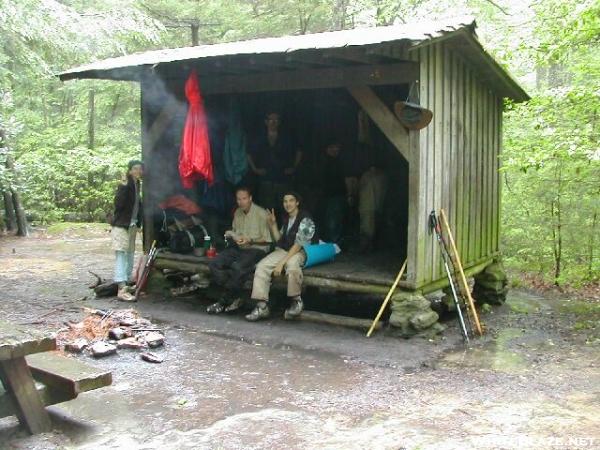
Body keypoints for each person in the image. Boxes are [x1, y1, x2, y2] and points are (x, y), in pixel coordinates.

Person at [246, 191, 318, 322]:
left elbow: (299, 244)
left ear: (297, 202)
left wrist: (281, 263)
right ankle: (262, 306)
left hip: (302, 250)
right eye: (285, 201)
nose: (288, 204)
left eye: (291, 200)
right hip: (286, 250)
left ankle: (296, 301)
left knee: (292, 265)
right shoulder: (286, 218)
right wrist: (273, 224)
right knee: (262, 266)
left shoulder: (306, 218)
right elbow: (280, 240)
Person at [206, 186, 272, 314]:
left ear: (250, 198)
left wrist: (251, 240)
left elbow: (268, 240)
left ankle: (223, 301)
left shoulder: (261, 213)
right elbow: (236, 233)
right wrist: (232, 235)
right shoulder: (237, 213)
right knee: (214, 263)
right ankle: (235, 293)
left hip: (257, 249)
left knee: (238, 267)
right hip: (240, 248)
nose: (241, 201)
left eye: (244, 198)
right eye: (238, 199)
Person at [247, 111, 302, 215]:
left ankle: (285, 231)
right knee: (266, 210)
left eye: (276, 120)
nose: (273, 122)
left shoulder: (287, 137)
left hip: (283, 179)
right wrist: (255, 169)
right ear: (266, 122)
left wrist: (294, 167)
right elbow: (249, 153)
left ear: (279, 122)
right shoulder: (259, 137)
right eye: (271, 120)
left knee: (286, 209)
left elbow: (299, 151)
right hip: (266, 179)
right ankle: (268, 231)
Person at [111, 160, 143, 302]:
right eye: (135, 169)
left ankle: (127, 283)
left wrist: (139, 222)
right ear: (130, 171)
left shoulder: (137, 184)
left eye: (140, 169)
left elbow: (137, 205)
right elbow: (118, 204)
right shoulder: (125, 184)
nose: (138, 171)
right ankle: (121, 288)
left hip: (132, 225)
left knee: (130, 254)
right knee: (121, 254)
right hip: (121, 225)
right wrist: (122, 186)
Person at [316, 141, 356, 244]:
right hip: (325, 197)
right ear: (327, 149)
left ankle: (334, 246)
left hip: (337, 196)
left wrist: (350, 194)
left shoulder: (341, 162)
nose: (335, 149)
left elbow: (348, 178)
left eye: (337, 147)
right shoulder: (322, 162)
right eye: (332, 147)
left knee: (334, 223)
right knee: (327, 222)